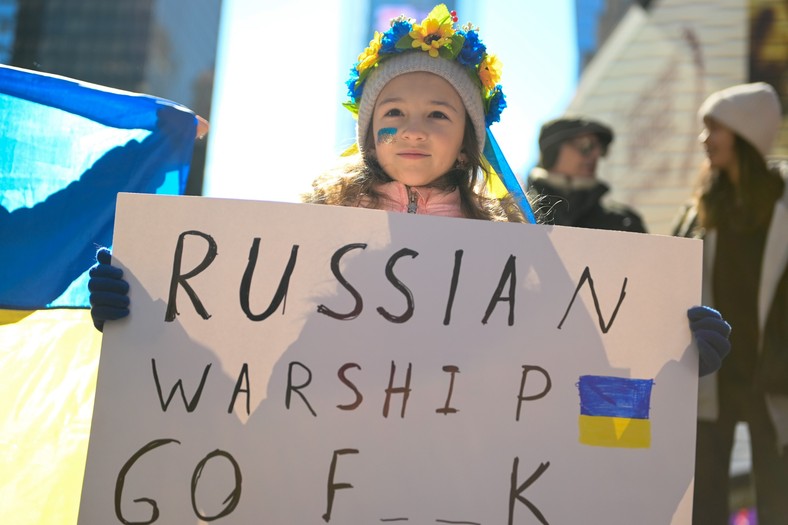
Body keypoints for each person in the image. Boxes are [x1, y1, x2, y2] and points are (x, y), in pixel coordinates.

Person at [89, 5, 729, 381]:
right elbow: (242, 359)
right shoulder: (314, 230)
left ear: (468, 140)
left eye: (439, 115)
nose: (412, 131)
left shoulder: (515, 248)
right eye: (391, 113)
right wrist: (142, 317)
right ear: (368, 132)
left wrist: (667, 367)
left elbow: (573, 372)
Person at [672, 81, 788, 524]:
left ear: (744, 131)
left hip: (772, 376)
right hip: (712, 374)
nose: (704, 140)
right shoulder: (701, 206)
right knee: (703, 504)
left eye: (713, 128)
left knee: (779, 501)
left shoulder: (783, 202)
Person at [527, 116, 648, 233]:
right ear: (552, 152)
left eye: (599, 148)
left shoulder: (624, 223)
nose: (596, 154)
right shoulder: (517, 215)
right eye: (585, 145)